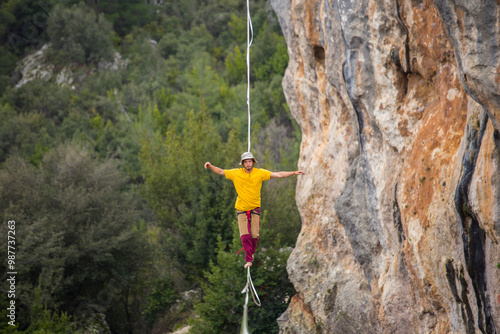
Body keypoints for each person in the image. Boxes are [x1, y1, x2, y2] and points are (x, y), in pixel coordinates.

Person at [204, 152, 305, 268]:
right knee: (245, 236)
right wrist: (210, 166)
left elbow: (278, 175)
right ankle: (248, 260)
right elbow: (221, 171)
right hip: (241, 209)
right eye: (246, 162)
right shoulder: (236, 173)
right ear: (243, 164)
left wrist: (293, 173)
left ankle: (250, 253)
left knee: (254, 235)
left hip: (255, 208)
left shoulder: (260, 173)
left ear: (253, 162)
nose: (248, 164)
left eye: (249, 161)